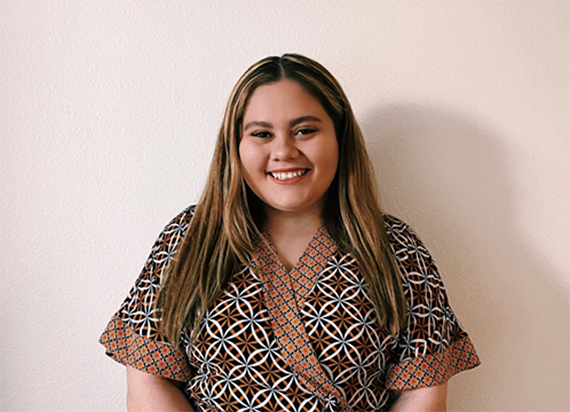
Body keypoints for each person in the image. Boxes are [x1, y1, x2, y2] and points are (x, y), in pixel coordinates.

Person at [100, 53, 480, 412]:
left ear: (340, 136)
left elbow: (423, 392)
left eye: (304, 130)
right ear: (236, 146)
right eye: (262, 134)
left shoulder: (394, 248)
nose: (283, 151)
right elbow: (150, 376)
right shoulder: (190, 238)